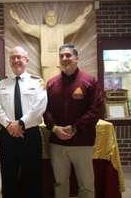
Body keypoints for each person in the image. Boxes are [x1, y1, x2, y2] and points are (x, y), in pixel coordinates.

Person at [43, 44, 105, 198]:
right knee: (60, 183)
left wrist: (75, 128)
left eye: (68, 55)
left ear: (77, 58)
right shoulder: (51, 84)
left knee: (86, 184)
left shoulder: (90, 81)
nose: (65, 59)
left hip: (82, 141)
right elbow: (45, 110)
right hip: (58, 143)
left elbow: (96, 110)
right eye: (61, 56)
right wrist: (55, 128)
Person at [0, 46, 47, 198]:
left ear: (26, 60)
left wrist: (21, 123)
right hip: (7, 134)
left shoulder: (37, 83)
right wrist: (10, 125)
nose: (16, 60)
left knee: (32, 174)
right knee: (8, 173)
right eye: (13, 57)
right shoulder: (1, 84)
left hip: (30, 134)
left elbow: (40, 106)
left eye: (19, 57)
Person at [10, 4, 93, 81]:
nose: (51, 18)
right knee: (47, 84)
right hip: (46, 62)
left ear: (56, 18)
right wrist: (18, 20)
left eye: (53, 17)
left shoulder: (61, 29)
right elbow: (28, 28)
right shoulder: (41, 29)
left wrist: (84, 15)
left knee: (58, 83)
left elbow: (74, 25)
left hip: (58, 62)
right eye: (49, 17)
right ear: (45, 18)